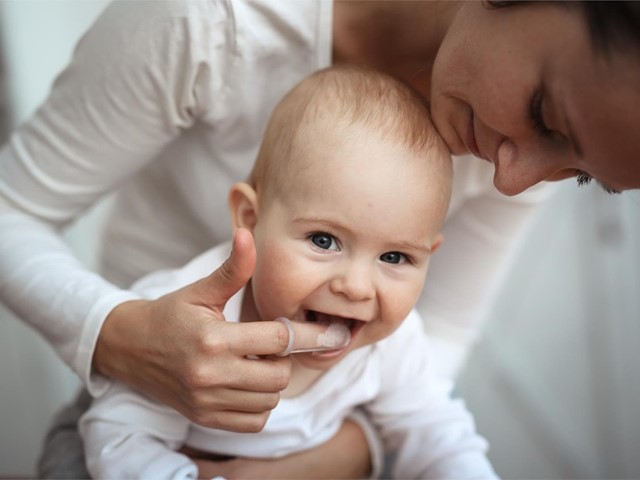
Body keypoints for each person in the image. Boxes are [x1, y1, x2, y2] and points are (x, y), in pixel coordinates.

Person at [0, 1, 637, 477]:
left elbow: (434, 398)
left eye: (579, 174)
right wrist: (121, 336)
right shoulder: (210, 21)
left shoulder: (387, 345)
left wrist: (332, 458)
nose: (513, 180)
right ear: (245, 219)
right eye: (545, 115)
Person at [79, 65, 496, 480]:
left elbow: (439, 437)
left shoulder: (393, 345)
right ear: (250, 219)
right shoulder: (181, 323)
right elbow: (119, 441)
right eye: (323, 240)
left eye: (394, 258)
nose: (355, 287)